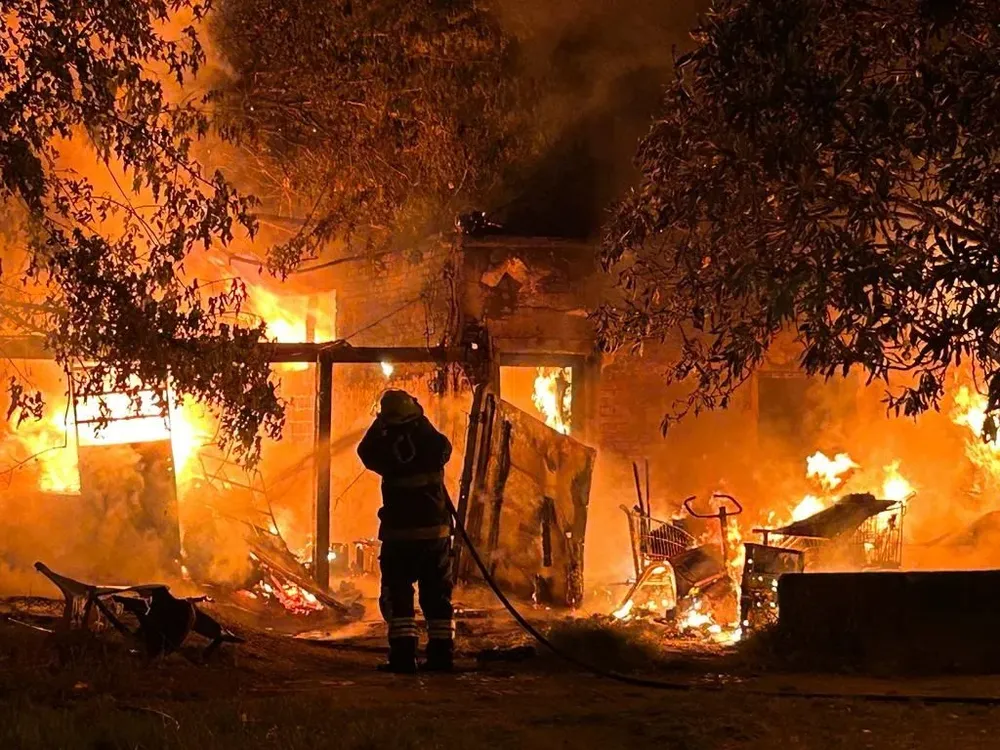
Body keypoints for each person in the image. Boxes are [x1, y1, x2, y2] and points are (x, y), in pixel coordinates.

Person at [357, 389, 455, 673]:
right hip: (434, 536)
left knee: (398, 593)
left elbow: (364, 451)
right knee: (437, 595)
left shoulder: (383, 448)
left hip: (400, 537)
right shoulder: (433, 444)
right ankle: (441, 656)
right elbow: (443, 446)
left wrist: (381, 423)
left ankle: (402, 657)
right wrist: (420, 417)